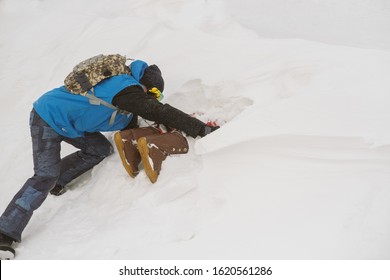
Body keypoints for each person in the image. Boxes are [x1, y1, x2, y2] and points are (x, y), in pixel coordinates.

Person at [0, 58, 218, 259]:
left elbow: (145, 118)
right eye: (150, 91)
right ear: (141, 82)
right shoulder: (122, 87)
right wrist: (201, 130)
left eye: (156, 94)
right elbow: (157, 111)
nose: (150, 97)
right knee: (44, 175)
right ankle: (5, 232)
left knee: (99, 149)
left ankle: (59, 180)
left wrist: (168, 128)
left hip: (73, 126)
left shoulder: (126, 101)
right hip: (47, 118)